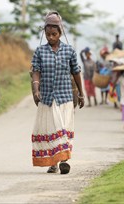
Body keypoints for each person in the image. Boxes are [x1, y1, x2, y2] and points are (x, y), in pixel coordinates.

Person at [31, 11, 84, 174]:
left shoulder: (69, 51)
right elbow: (35, 71)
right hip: (47, 98)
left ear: (60, 33)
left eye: (54, 34)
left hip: (65, 97)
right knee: (51, 129)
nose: (51, 37)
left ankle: (63, 161)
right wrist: (35, 88)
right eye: (48, 34)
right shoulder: (40, 51)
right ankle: (54, 162)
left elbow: (76, 72)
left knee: (64, 128)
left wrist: (81, 93)